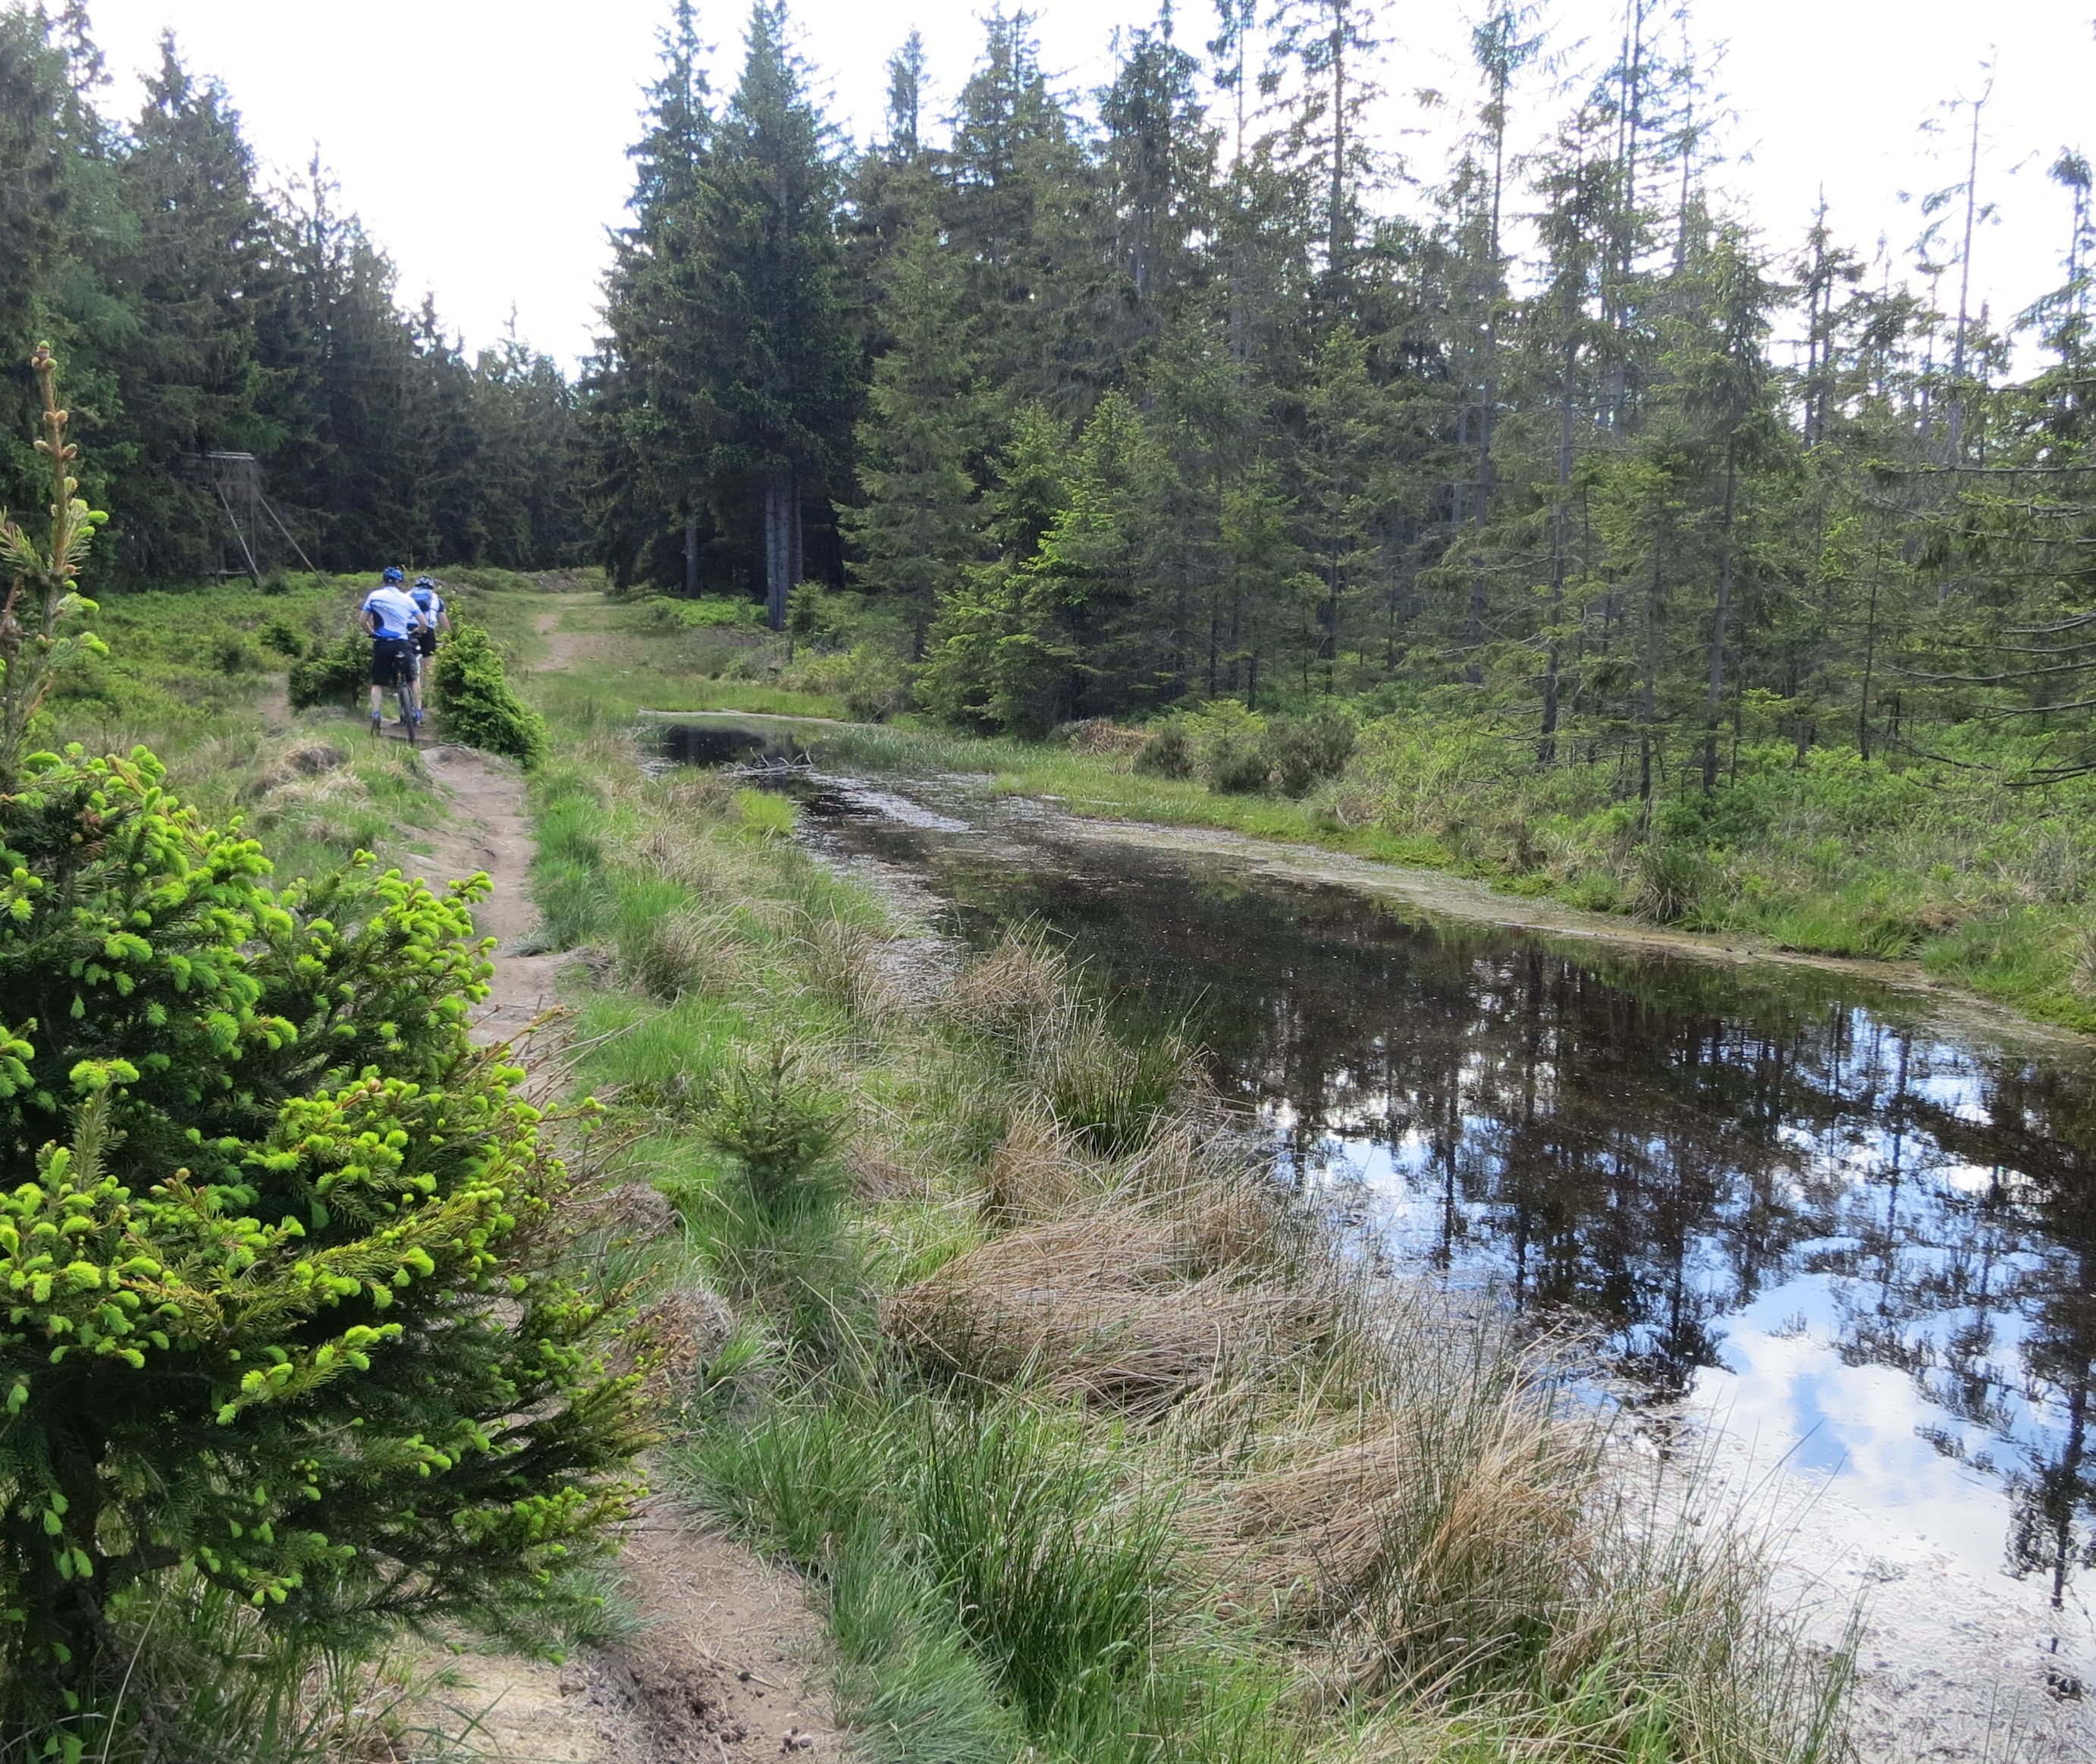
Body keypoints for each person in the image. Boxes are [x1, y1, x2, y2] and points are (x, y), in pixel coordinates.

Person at [361, 566, 425, 735]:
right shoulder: (407, 599)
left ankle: (376, 714)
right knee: (413, 678)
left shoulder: (374, 596)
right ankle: (418, 712)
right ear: (399, 583)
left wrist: (372, 634)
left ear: (384, 581)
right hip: (402, 642)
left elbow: (362, 621)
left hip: (382, 643)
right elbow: (423, 623)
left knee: (378, 683)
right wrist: (417, 631)